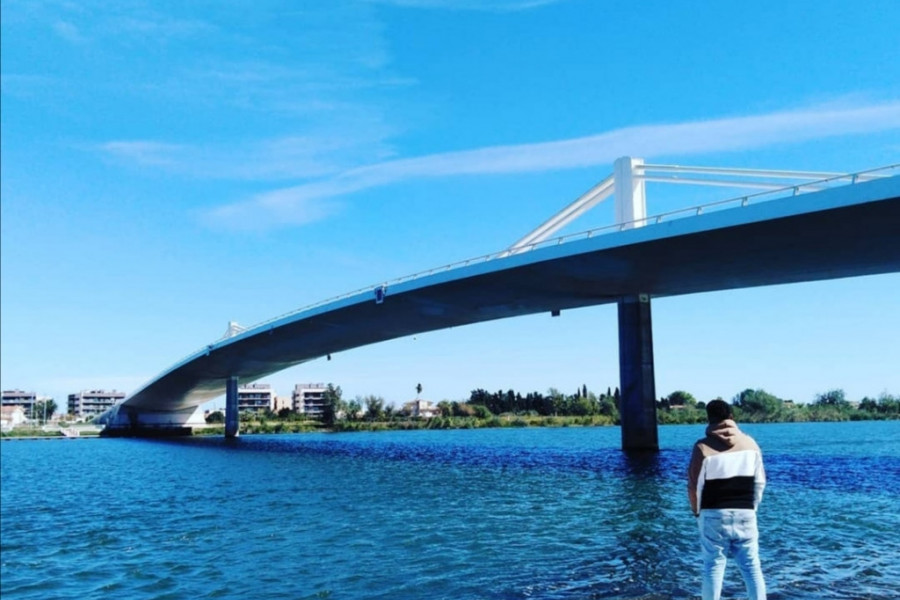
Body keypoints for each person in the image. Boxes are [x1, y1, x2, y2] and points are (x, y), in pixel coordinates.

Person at [687, 399, 767, 600]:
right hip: (746, 512)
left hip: (713, 514)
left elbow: (694, 487)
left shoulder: (702, 448)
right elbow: (760, 483)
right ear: (731, 417)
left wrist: (697, 512)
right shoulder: (751, 444)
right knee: (751, 567)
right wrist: (752, 507)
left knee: (713, 567)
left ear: (709, 419)